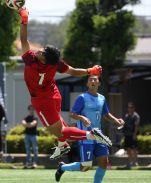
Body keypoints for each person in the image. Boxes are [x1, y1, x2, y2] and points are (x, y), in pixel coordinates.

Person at [18, 7, 112, 160]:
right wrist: (90, 70)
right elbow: (74, 71)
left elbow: (23, 39)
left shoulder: (31, 61)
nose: (39, 50)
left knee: (61, 131)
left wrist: (24, 19)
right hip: (54, 95)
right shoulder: (54, 64)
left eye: (42, 51)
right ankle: (63, 146)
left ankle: (93, 135)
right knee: (62, 131)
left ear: (44, 59)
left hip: (42, 101)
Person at [55, 74, 125, 183]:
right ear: (87, 84)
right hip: (85, 136)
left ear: (99, 83)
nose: (92, 81)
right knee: (86, 167)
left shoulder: (102, 98)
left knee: (104, 162)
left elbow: (106, 114)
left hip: (99, 136)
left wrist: (116, 120)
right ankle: (62, 167)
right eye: (90, 79)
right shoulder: (82, 98)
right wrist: (82, 117)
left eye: (95, 79)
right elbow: (72, 114)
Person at [123, 101, 140, 168]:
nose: (130, 108)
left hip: (133, 135)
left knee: (134, 149)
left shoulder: (136, 116)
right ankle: (130, 162)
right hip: (127, 135)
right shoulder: (126, 116)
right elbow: (125, 125)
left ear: (134, 108)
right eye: (129, 107)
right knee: (128, 149)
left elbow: (136, 126)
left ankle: (135, 162)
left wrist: (134, 134)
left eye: (131, 107)